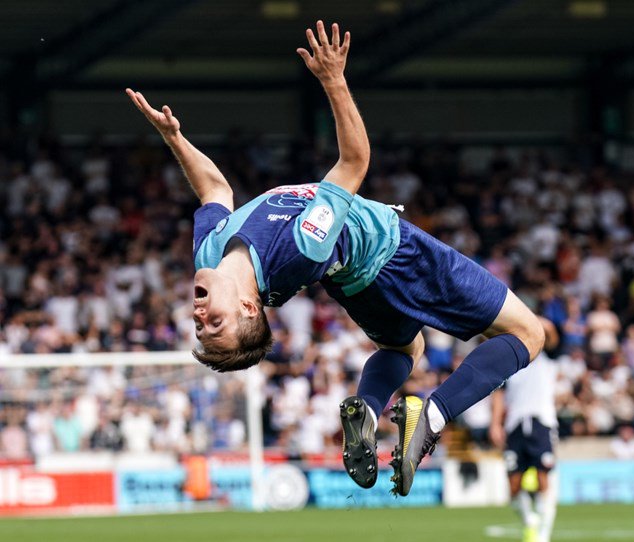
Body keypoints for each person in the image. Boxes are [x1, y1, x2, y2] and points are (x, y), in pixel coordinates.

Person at [127, 21, 544, 497]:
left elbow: (214, 189)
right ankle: (433, 414)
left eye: (200, 326)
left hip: (355, 285)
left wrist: (174, 139)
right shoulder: (302, 246)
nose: (199, 317)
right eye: (213, 324)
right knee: (529, 333)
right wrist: (333, 80)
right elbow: (353, 165)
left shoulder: (210, 252)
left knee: (404, 350)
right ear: (247, 308)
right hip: (395, 254)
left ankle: (367, 409)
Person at [490, 318, 560, 542]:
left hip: (542, 423)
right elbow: (500, 395)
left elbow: (550, 330)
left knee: (543, 478)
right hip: (515, 425)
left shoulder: (548, 357)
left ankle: (543, 535)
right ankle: (529, 519)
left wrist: (527, 318)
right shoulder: (512, 362)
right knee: (513, 484)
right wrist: (495, 424)